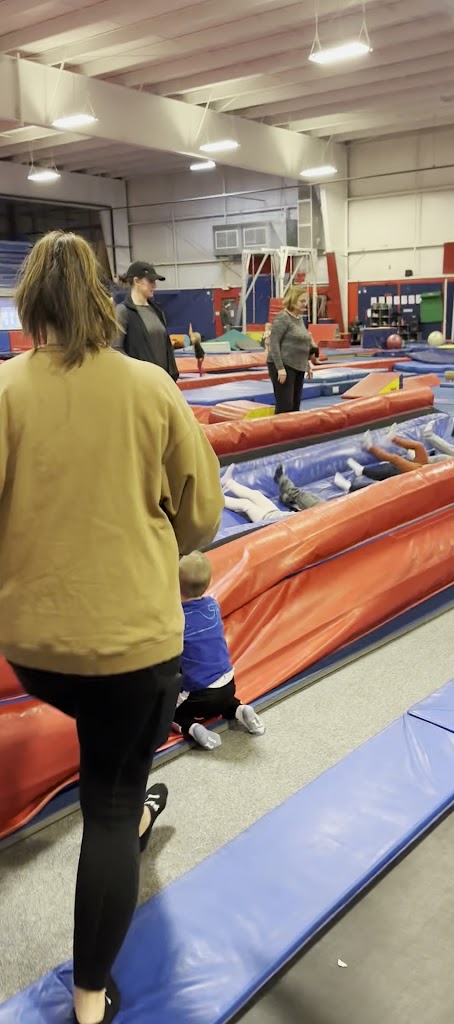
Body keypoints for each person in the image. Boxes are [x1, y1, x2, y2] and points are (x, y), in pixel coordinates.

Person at [0, 231, 223, 1024]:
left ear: (29, 305)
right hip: (134, 647)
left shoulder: (3, 390)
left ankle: (131, 793)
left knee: (109, 756)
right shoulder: (150, 386)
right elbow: (199, 518)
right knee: (110, 804)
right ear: (103, 295)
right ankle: (91, 999)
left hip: (37, 653)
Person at [173, 552, 265, 750]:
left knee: (169, 713)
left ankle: (193, 728)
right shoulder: (213, 606)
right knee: (225, 702)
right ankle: (241, 709)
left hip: (199, 695)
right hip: (229, 683)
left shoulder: (176, 618)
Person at [115, 260, 179, 381]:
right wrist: (138, 372)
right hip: (140, 381)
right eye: (150, 281)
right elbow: (116, 350)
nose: (154, 285)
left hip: (163, 380)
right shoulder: (123, 311)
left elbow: (165, 347)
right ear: (136, 281)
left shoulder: (157, 311)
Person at [267, 286, 315, 414]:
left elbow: (302, 344)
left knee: (295, 405)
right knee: (285, 404)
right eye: (302, 301)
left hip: (298, 366)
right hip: (283, 365)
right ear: (293, 301)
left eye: (306, 301)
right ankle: (278, 433)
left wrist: (308, 364)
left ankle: (291, 433)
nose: (305, 304)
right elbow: (274, 342)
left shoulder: (299, 319)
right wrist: (280, 368)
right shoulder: (283, 318)